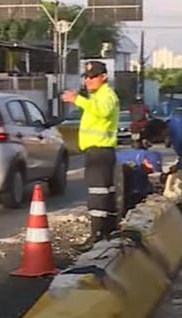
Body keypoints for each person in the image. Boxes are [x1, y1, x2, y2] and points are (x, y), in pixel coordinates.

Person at [62, 61, 120, 250]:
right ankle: (109, 230)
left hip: (100, 152)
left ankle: (97, 234)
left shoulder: (106, 95)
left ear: (104, 77)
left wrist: (78, 100)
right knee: (105, 192)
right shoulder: (96, 96)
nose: (88, 81)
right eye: (86, 77)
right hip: (96, 152)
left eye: (93, 77)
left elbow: (102, 112)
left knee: (98, 193)